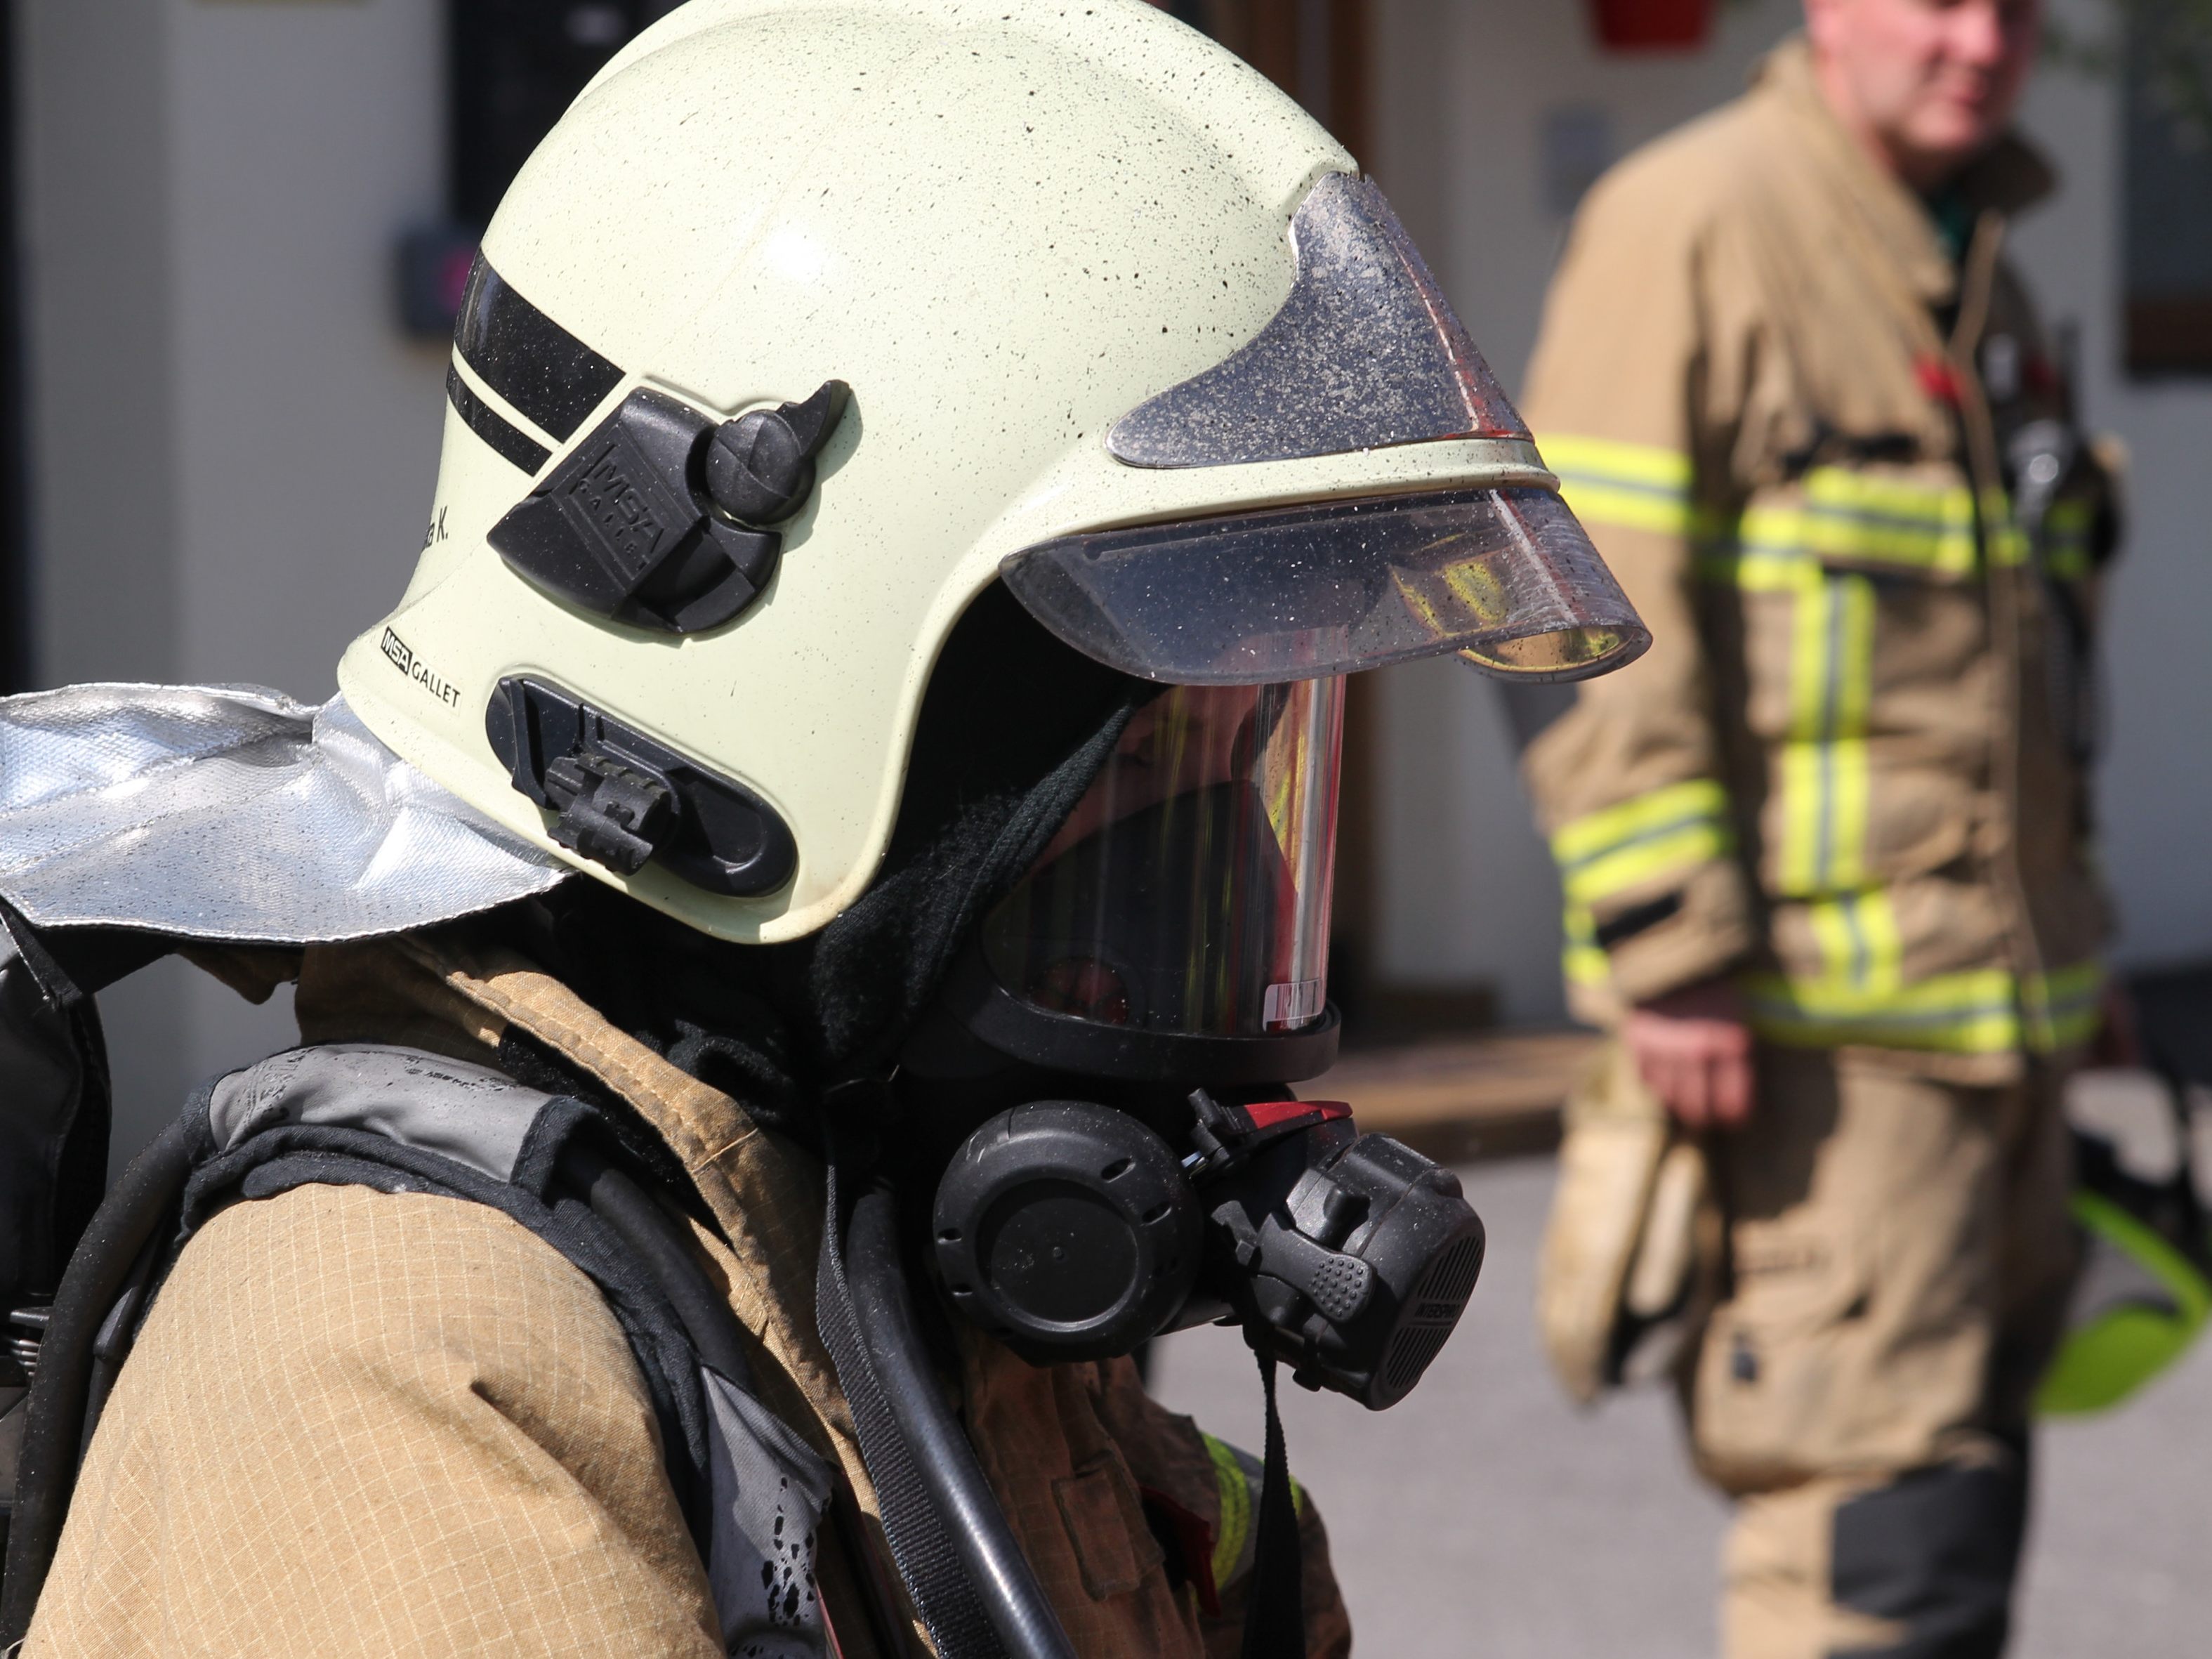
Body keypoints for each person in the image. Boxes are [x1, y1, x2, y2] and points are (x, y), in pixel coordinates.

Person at [0, 3, 1647, 1654]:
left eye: (1254, 776)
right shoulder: (403, 1368)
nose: (1254, 882)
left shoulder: (852, 1237)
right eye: (1143, 793)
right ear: (785, 715)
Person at [1518, 1, 2119, 1654]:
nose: (1983, 38)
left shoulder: (1978, 245)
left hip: (2001, 1031)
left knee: (1964, 1508)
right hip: (1820, 1046)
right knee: (1872, 1530)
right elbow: (1587, 621)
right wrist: (1672, 950)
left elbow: (2008, 672)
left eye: (2014, 6)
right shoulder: (1697, 221)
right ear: (1828, 10)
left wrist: (2077, 943)